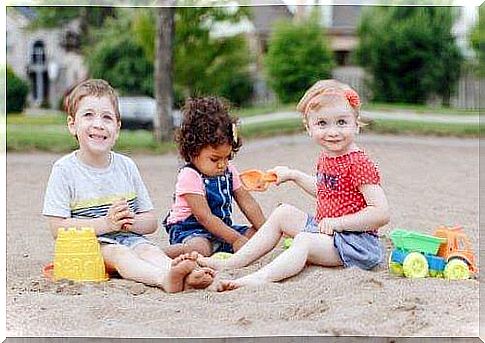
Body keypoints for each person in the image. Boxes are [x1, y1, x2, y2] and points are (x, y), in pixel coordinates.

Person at [198, 79, 390, 291]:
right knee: (283, 213)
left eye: (342, 122)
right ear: (309, 128)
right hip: (329, 232)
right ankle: (233, 263)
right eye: (322, 123)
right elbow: (328, 192)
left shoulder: (358, 163)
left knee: (304, 241)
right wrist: (293, 175)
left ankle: (260, 278)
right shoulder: (329, 156)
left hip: (356, 243)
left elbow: (381, 213)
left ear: (356, 123)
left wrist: (339, 223)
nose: (333, 131)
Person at [42, 79, 214, 293]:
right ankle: (164, 278)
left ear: (117, 128)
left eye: (107, 117)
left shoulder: (126, 166)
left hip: (130, 238)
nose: (98, 124)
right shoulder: (65, 170)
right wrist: (106, 224)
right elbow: (57, 228)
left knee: (149, 251)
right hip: (90, 247)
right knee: (121, 254)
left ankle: (182, 274)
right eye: (88, 115)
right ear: (72, 124)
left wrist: (128, 222)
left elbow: (150, 222)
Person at [162, 97, 266, 258]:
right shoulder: (190, 175)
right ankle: (154, 255)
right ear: (192, 151)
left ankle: (223, 244)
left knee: (258, 237)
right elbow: (204, 217)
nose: (222, 164)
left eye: (227, 157)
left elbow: (248, 202)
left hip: (222, 229)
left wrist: (266, 229)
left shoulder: (229, 170)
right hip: (192, 230)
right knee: (200, 249)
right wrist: (236, 239)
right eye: (215, 159)